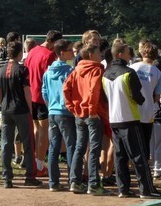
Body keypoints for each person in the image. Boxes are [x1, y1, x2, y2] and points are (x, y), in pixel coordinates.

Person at [103, 41, 161, 199]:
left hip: (114, 118)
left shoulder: (106, 73)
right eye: (128, 53)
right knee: (139, 156)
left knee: (120, 156)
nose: (131, 56)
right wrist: (141, 99)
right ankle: (146, 190)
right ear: (120, 54)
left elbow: (104, 96)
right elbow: (138, 97)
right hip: (130, 118)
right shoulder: (129, 73)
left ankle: (123, 189)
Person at [64, 42, 108, 195]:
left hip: (79, 114)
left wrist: (72, 108)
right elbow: (93, 91)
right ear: (91, 55)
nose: (101, 55)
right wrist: (92, 110)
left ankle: (75, 181)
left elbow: (66, 88)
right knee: (94, 149)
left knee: (79, 147)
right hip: (92, 114)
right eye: (98, 53)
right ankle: (94, 184)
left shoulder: (76, 70)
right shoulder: (96, 70)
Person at [0, 41, 41, 188]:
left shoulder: (1, 70)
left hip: (6, 110)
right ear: (19, 53)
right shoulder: (22, 69)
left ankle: (6, 177)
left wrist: (3, 103)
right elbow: (27, 91)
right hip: (21, 109)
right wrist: (30, 109)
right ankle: (30, 176)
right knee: (28, 143)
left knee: (6, 144)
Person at [26, 30, 62, 176]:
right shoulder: (49, 55)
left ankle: (36, 162)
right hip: (42, 98)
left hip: (32, 96)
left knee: (37, 130)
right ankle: (40, 165)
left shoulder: (33, 51)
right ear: (53, 43)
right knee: (44, 132)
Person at [41, 39, 76, 192]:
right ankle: (72, 180)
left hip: (53, 112)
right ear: (62, 53)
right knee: (71, 146)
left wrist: (51, 107)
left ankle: (53, 181)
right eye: (70, 50)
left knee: (54, 147)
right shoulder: (69, 71)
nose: (72, 53)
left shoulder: (48, 72)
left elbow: (44, 93)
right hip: (66, 113)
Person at [130, 41, 161, 150]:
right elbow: (157, 96)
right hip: (148, 112)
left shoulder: (133, 67)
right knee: (145, 143)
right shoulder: (158, 73)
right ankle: (145, 163)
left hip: (132, 110)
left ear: (143, 53)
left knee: (132, 142)